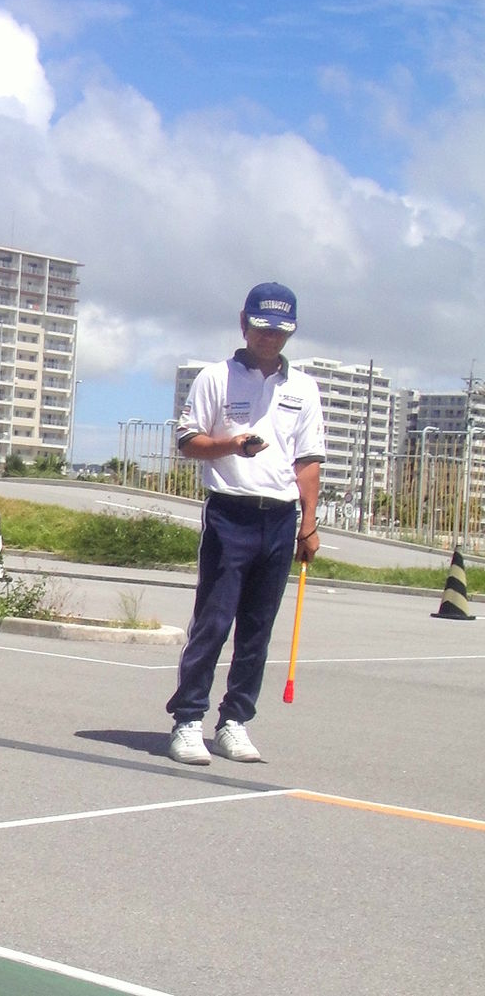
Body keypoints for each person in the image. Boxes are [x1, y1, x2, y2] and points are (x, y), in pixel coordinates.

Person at [166, 281, 324, 765]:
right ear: (244, 323)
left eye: (279, 331)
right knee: (213, 621)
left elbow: (309, 459)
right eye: (261, 328)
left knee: (257, 628)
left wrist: (309, 523)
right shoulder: (216, 377)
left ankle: (234, 721)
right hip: (230, 511)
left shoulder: (303, 387)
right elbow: (188, 441)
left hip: (279, 517)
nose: (269, 338)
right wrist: (231, 445)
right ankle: (188, 720)